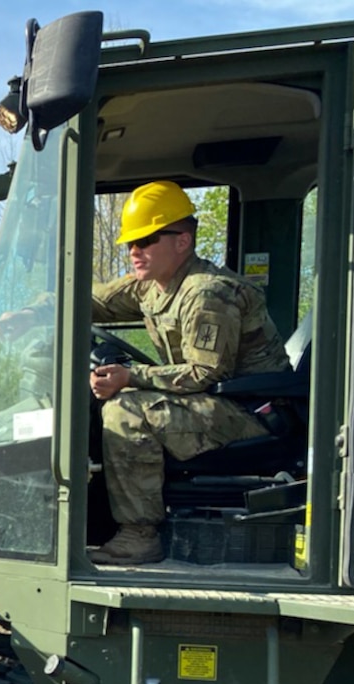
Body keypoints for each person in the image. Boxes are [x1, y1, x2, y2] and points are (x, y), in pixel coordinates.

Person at [85, 180, 289, 564]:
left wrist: (131, 376)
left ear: (182, 241)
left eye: (146, 240)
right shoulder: (152, 286)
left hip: (252, 414)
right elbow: (90, 299)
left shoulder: (207, 293)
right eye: (131, 243)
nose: (134, 251)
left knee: (126, 409)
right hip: (213, 404)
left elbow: (205, 373)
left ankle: (139, 536)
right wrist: (34, 308)